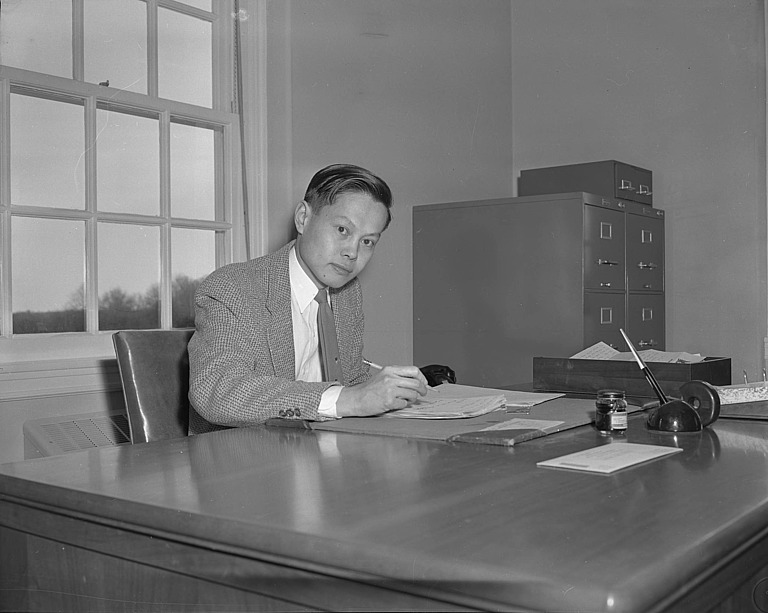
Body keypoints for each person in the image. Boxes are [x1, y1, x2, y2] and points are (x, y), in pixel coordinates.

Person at [187, 163, 430, 434]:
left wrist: (391, 391)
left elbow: (350, 380)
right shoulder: (234, 287)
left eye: (367, 241)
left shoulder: (347, 293)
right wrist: (348, 400)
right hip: (244, 460)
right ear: (303, 218)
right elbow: (217, 392)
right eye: (342, 230)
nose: (352, 252)